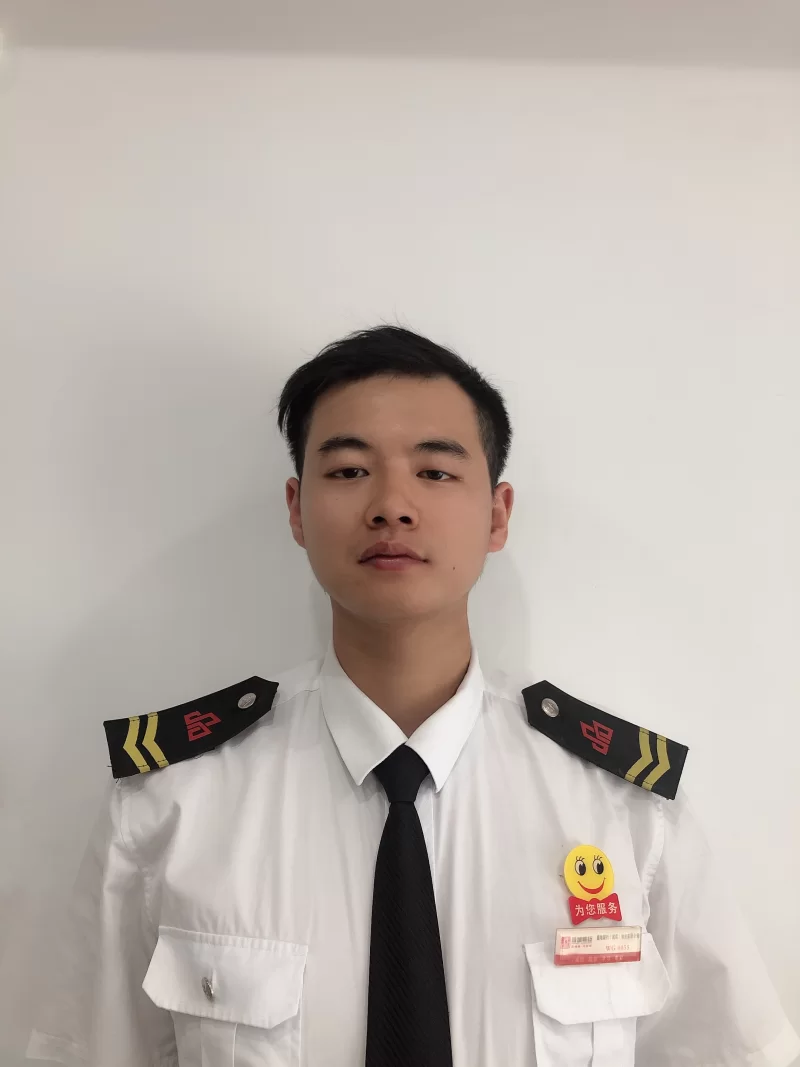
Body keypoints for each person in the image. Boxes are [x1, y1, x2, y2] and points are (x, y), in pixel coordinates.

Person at [26, 325, 798, 1067]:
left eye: (434, 471)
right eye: (348, 470)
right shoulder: (169, 806)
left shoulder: (626, 812)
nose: (392, 505)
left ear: (497, 514)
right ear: (296, 509)